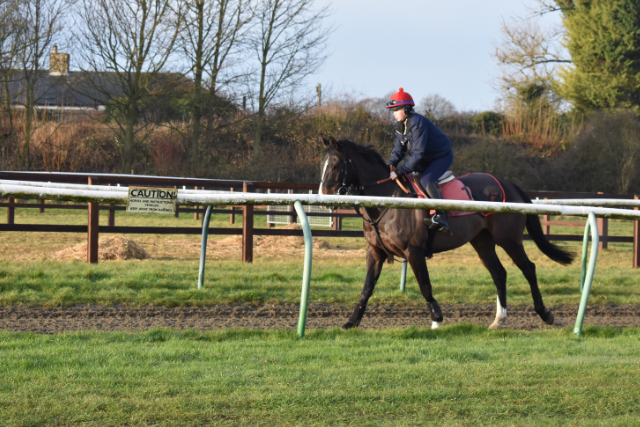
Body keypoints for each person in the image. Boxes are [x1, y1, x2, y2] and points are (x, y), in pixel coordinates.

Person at [386, 88, 453, 232]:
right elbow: (399, 150)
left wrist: (399, 171)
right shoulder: (400, 127)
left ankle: (441, 216)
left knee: (425, 180)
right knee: (410, 178)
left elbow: (417, 154)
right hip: (426, 158)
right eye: (393, 111)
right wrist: (390, 165)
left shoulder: (418, 122)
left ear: (407, 109)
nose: (394, 114)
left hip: (441, 157)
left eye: (396, 110)